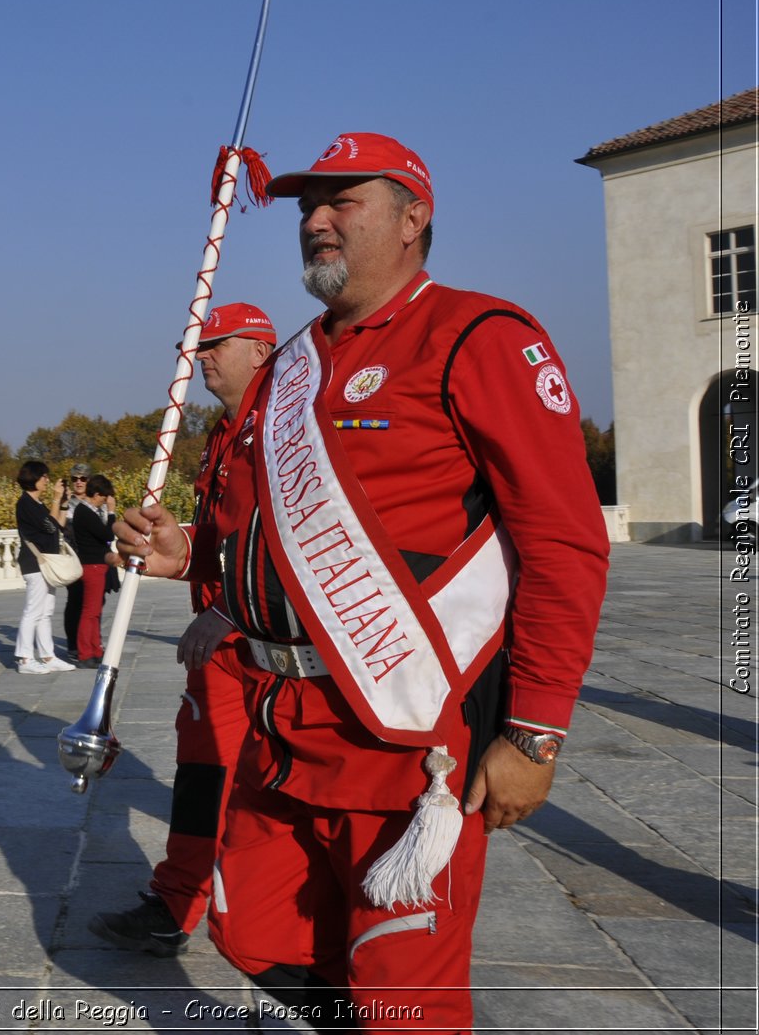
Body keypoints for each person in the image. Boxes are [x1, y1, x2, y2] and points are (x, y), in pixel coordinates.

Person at [114, 133, 609, 1031]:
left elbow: (563, 542)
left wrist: (534, 734)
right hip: (282, 728)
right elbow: (257, 532)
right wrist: (185, 553)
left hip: (407, 738)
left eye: (345, 202)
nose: (316, 220)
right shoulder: (291, 367)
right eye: (310, 205)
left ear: (414, 218)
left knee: (400, 991)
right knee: (256, 933)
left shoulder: (480, 336)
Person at [91, 302, 277, 955]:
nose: (199, 357)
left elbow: (300, 538)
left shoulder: (287, 422)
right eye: (195, 347)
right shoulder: (225, 432)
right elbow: (225, 540)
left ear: (260, 347)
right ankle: (176, 900)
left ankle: (271, 915)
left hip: (270, 639)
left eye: (212, 344)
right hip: (223, 644)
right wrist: (177, 549)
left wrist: (229, 606)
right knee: (201, 770)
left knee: (270, 784)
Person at [12, 460, 77, 674]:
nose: (47, 481)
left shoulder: (37, 504)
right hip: (34, 563)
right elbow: (50, 525)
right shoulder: (25, 504)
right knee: (33, 610)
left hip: (45, 563)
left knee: (46, 611)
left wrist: (63, 503)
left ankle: (48, 656)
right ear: (35, 478)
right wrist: (57, 499)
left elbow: (57, 526)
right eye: (44, 477)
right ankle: (24, 658)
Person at [68, 474, 118, 667]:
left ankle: (95, 650)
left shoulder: (86, 511)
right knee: (90, 612)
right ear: (96, 494)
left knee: (94, 611)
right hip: (93, 565)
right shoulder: (85, 512)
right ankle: (85, 653)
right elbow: (107, 534)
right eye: (104, 498)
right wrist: (111, 513)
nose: (104, 502)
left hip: (94, 564)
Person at [61, 462, 94, 658]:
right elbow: (59, 526)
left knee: (94, 603)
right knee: (75, 602)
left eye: (83, 478)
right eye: (75, 479)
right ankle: (74, 644)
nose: (79, 482)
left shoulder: (96, 502)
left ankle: (91, 642)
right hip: (74, 559)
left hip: (93, 558)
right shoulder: (67, 503)